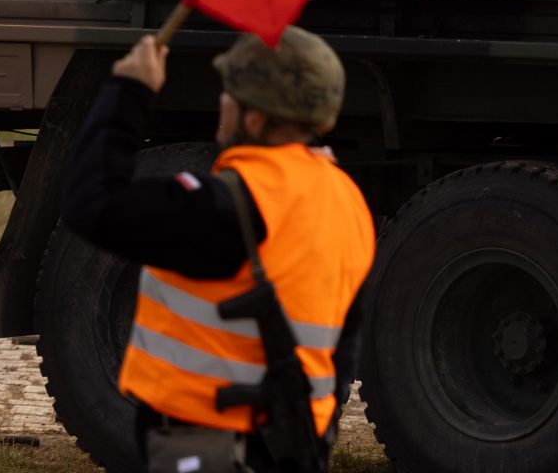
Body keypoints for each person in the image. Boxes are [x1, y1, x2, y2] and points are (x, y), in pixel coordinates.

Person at [60, 24, 374, 472]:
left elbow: (90, 203)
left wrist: (128, 91)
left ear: (255, 118)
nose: (221, 103)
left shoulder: (228, 205)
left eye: (229, 94)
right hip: (296, 445)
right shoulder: (348, 201)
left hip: (209, 449)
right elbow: (344, 344)